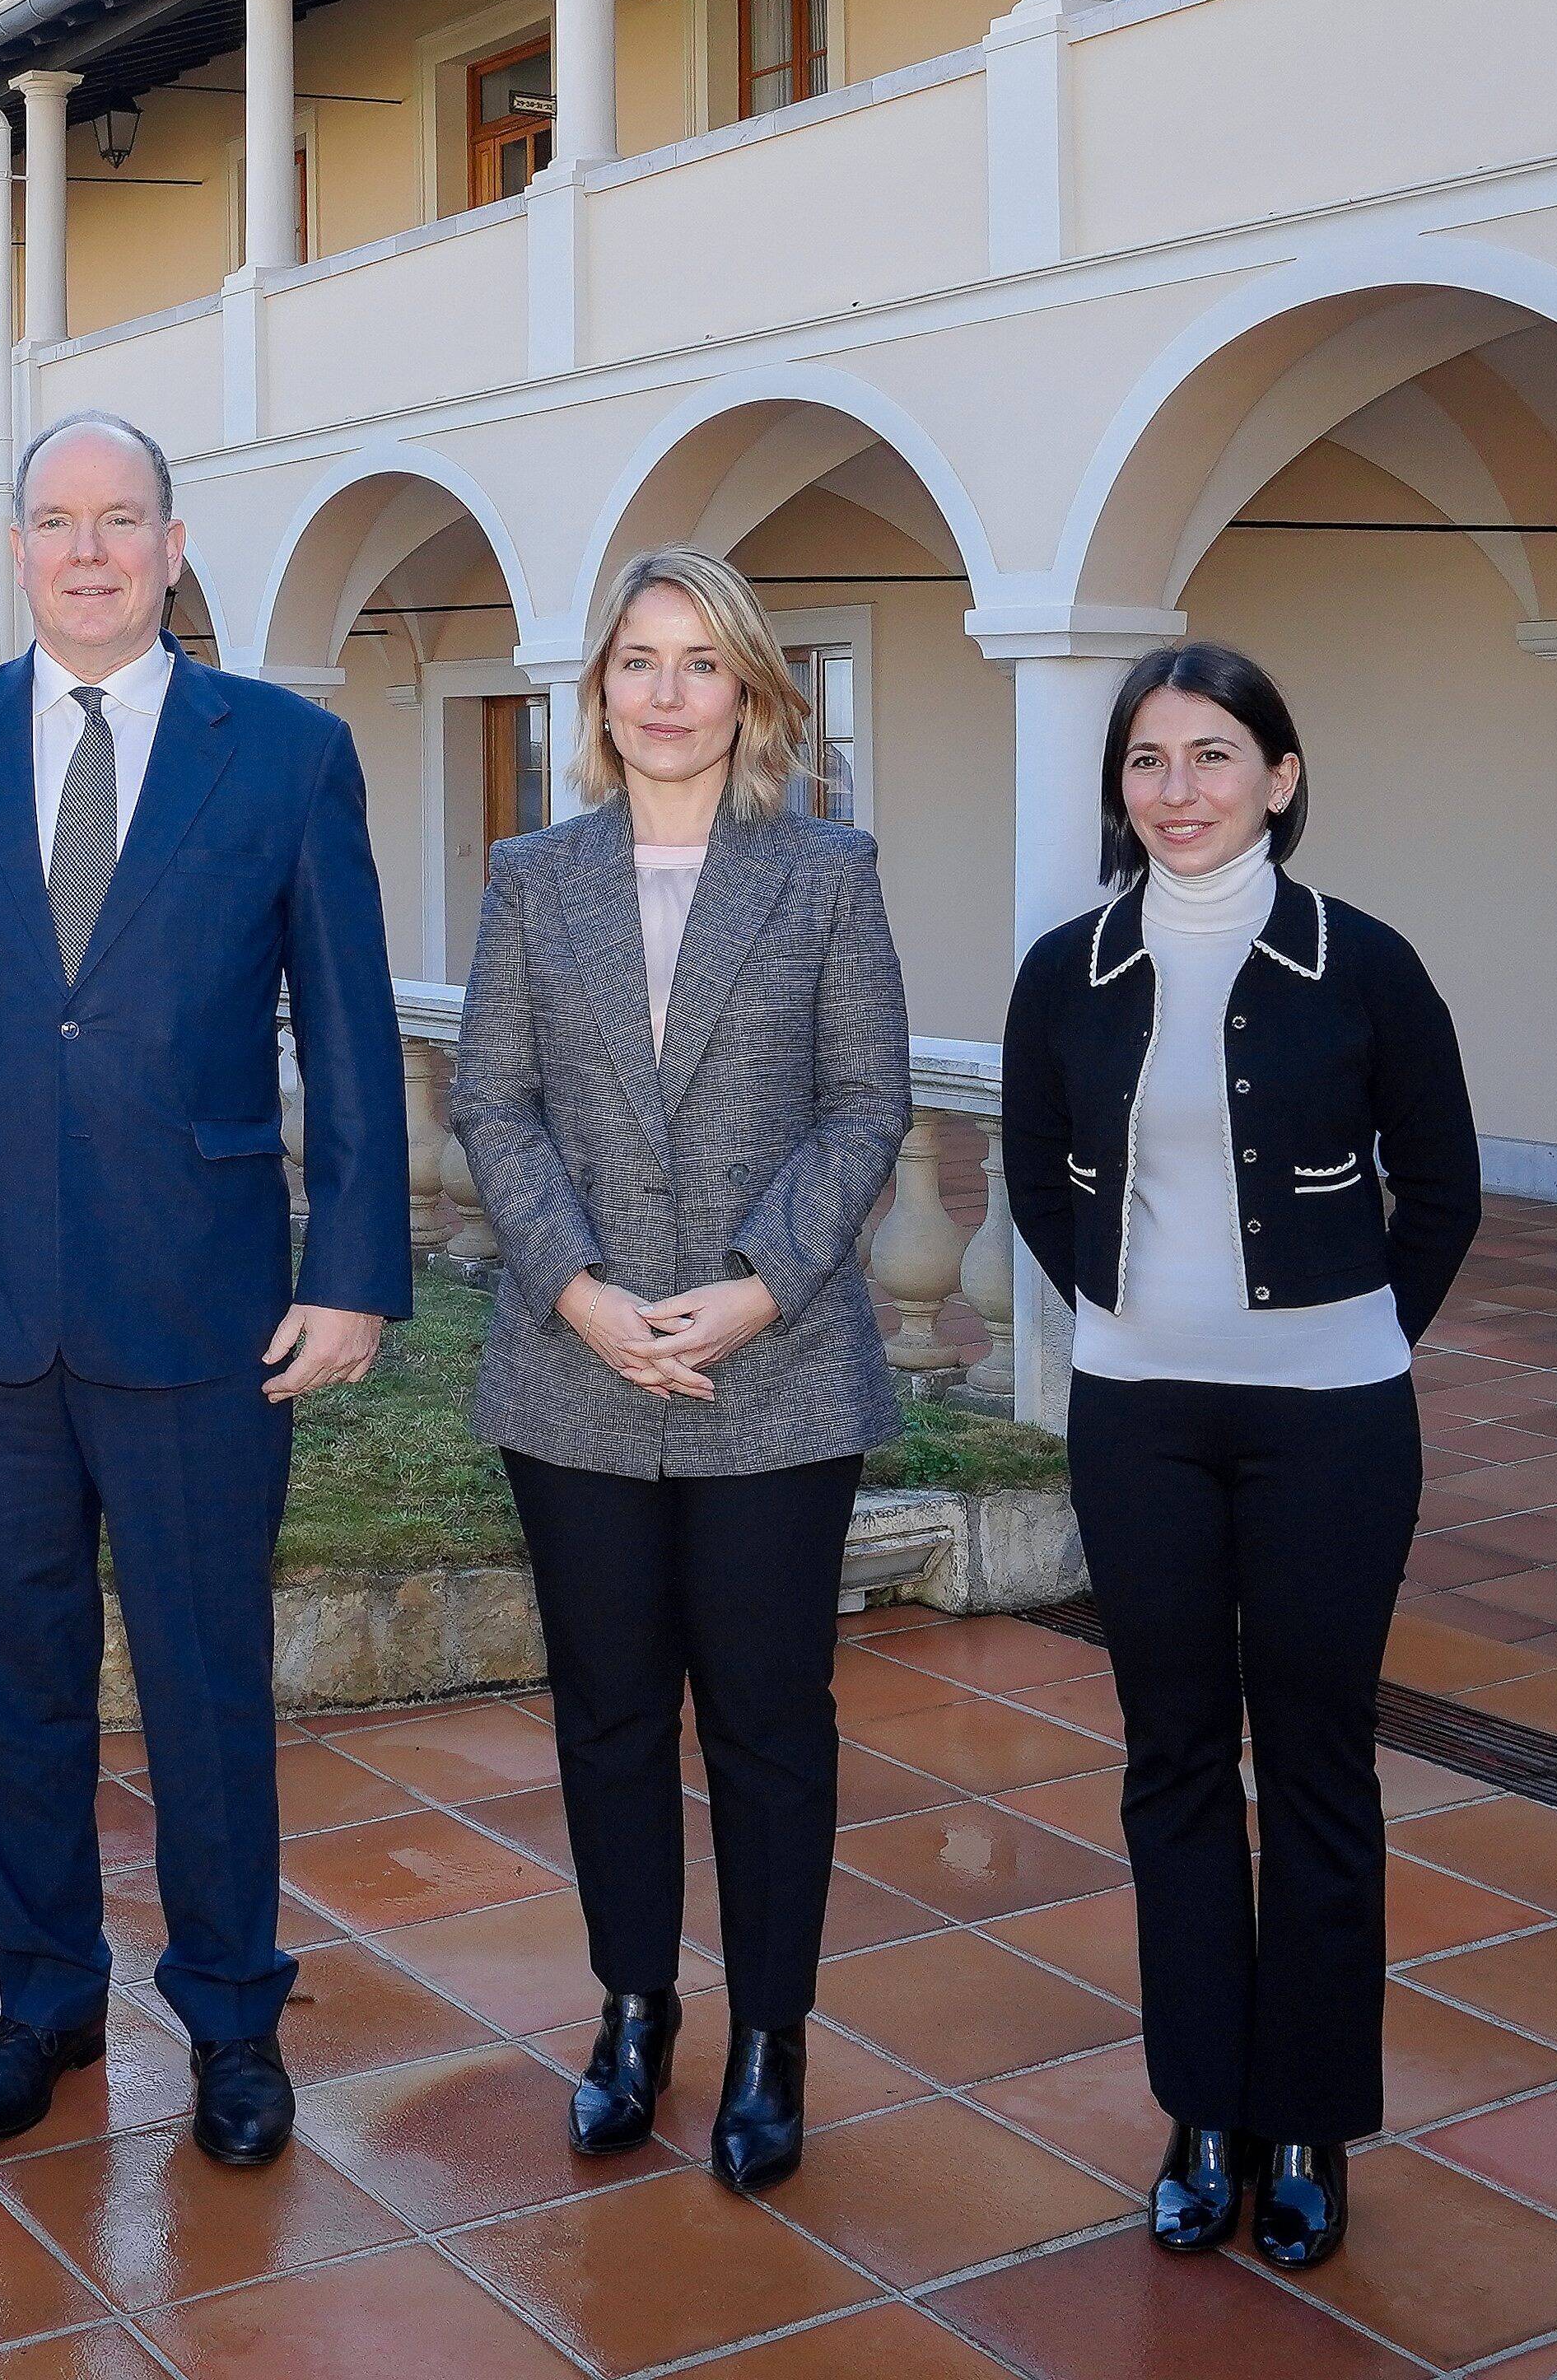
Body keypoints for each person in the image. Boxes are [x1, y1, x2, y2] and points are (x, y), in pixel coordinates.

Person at [0, 409, 408, 2172]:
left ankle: (232, 2012)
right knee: (10, 1680)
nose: (88, 550)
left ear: (172, 542)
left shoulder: (287, 754)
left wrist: (356, 1271)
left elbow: (353, 1032)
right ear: (19, 548)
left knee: (208, 1680)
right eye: (57, 521)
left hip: (204, 1305)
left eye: (121, 519)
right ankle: (43, 1995)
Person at [999, 639, 1479, 2273]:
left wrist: (1353, 1338)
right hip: (1141, 1419)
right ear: (1119, 790)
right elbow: (1035, 1180)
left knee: (1322, 1766)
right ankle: (1206, 2113)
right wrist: (1136, 1328)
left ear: (1278, 776)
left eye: (1213, 757)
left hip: (1333, 1422)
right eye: (1148, 761)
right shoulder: (1067, 969)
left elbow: (1446, 1185)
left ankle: (1313, 2130)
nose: (1178, 791)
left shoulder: (1368, 962)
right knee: (1176, 1763)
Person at [445, 548, 911, 2192]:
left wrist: (756, 1287)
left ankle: (771, 2032)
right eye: (636, 660)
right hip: (574, 1370)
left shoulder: (827, 873)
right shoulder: (530, 876)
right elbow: (490, 1100)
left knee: (773, 1718)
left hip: (771, 1373)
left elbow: (868, 1101)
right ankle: (633, 2007)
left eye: (698, 663)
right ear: (600, 693)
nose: (663, 691)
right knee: (611, 1711)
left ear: (751, 692)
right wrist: (573, 1286)